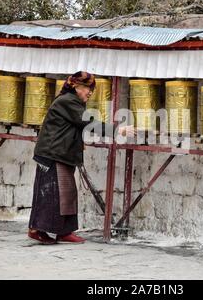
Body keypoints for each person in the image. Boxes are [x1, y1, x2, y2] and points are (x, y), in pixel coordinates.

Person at [28, 71, 133, 244]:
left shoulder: (73, 102)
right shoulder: (67, 101)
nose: (90, 92)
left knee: (67, 194)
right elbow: (88, 122)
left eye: (91, 88)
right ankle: (36, 229)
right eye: (87, 88)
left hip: (62, 154)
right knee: (52, 194)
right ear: (76, 86)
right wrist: (117, 130)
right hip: (52, 154)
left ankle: (64, 232)